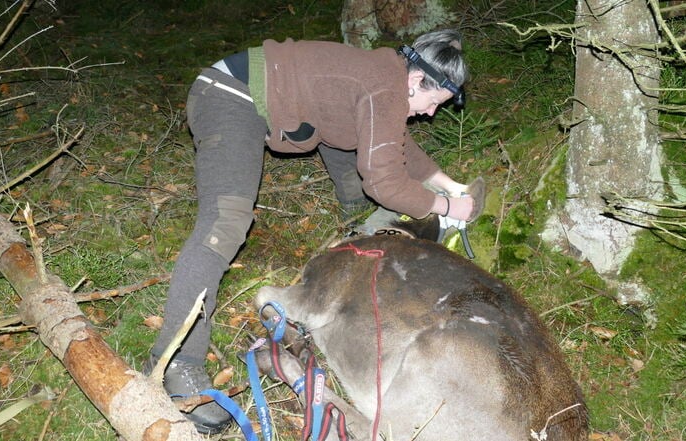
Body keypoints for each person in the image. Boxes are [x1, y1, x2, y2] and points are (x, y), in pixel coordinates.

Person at [147, 29, 483, 433]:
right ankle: (177, 363)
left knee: (355, 144)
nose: (431, 113)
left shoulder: (387, 78)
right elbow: (385, 182)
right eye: (433, 103)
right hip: (230, 95)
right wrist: (446, 207)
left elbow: (399, 144)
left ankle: (353, 212)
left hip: (259, 95)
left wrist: (451, 187)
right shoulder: (384, 86)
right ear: (416, 81)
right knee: (226, 222)